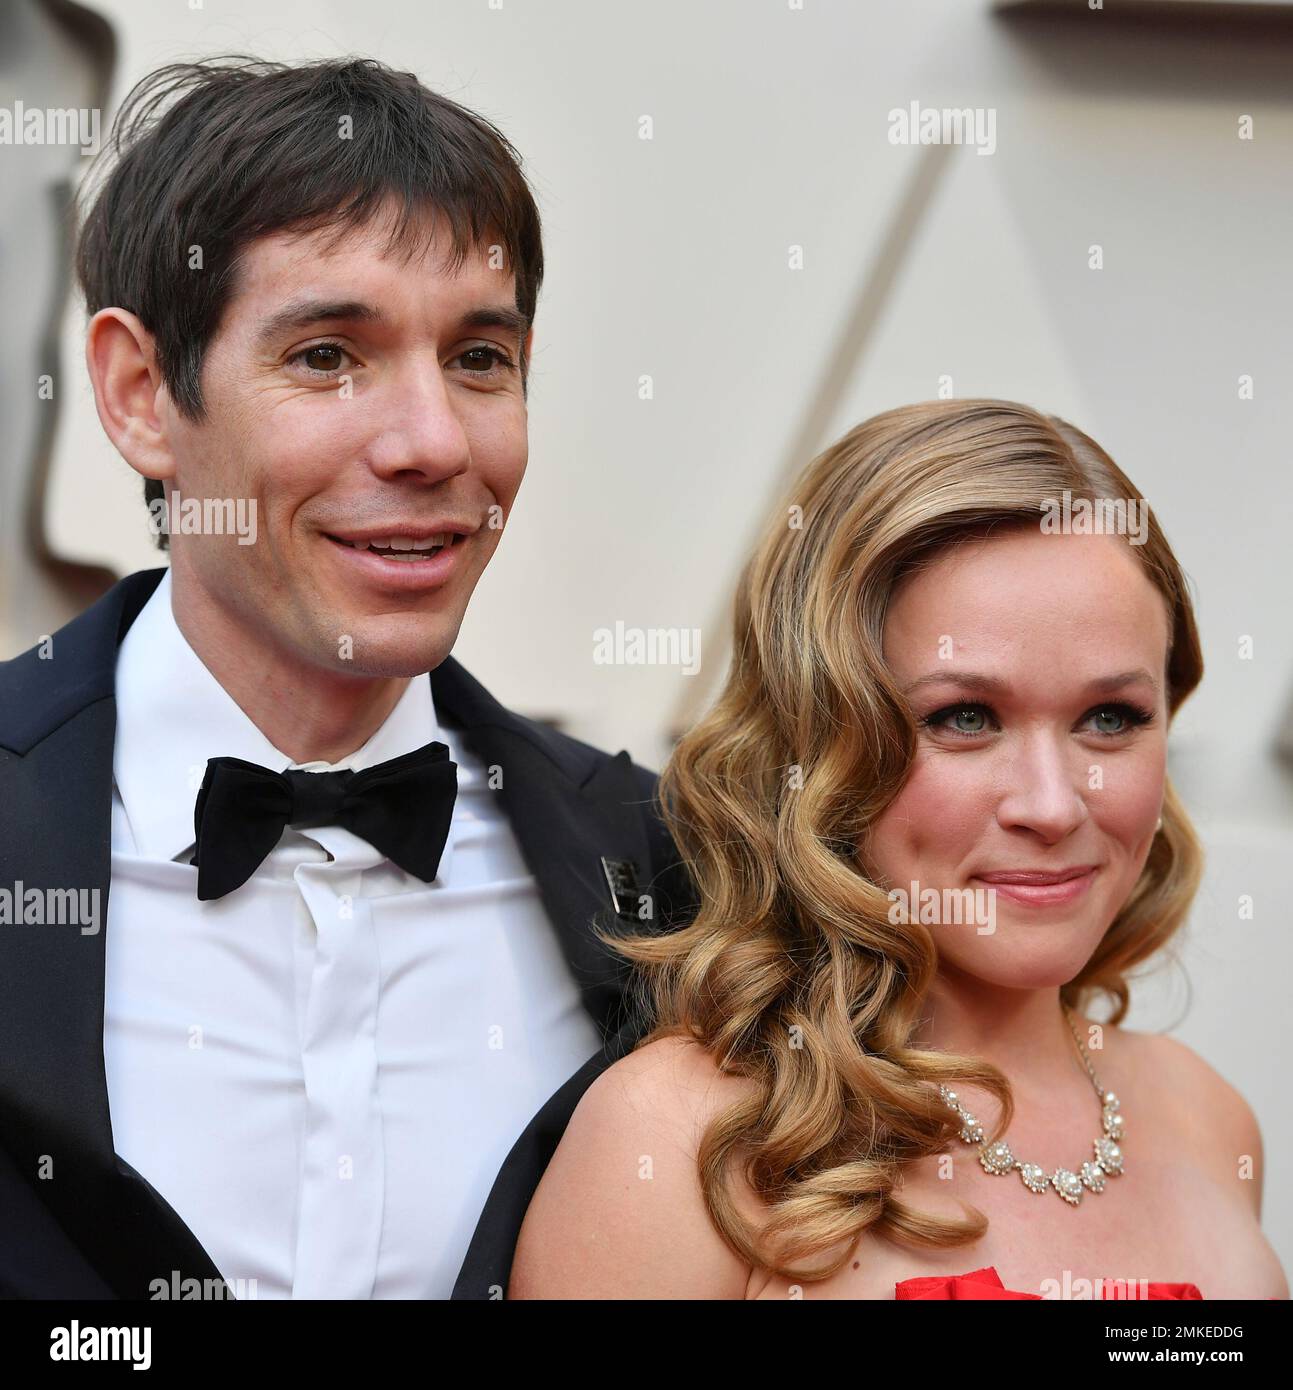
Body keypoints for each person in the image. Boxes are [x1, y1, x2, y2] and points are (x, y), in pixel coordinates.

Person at [0, 55, 693, 1300]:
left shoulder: (665, 871)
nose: (433, 443)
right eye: (327, 356)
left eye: (480, 359)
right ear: (142, 392)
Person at [506, 399, 1289, 1300]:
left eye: (1109, 718)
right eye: (963, 718)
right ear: (817, 740)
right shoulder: (677, 1140)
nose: (1051, 803)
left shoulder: (1207, 1118)